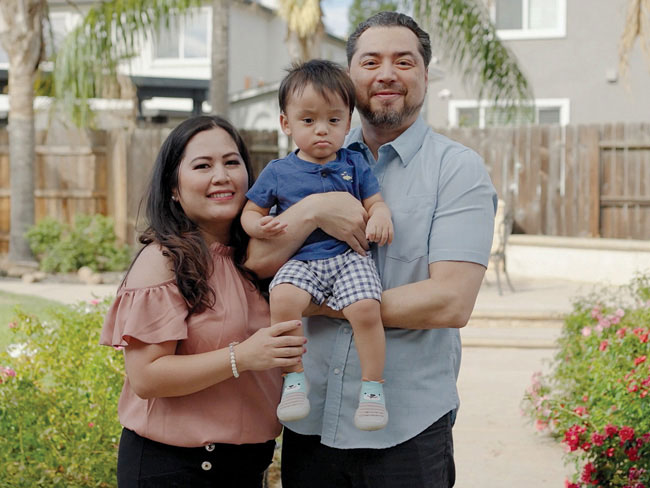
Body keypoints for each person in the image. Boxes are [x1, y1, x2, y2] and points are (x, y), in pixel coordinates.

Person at [245, 11, 498, 488]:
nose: (386, 73)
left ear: (424, 75)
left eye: (404, 61)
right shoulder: (301, 161)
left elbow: (450, 302)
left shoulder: (457, 171)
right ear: (351, 77)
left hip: (407, 426)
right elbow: (258, 263)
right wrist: (315, 209)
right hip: (312, 417)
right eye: (370, 61)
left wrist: (333, 305)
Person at [99, 115, 307, 487]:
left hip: (247, 466)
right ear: (174, 188)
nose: (222, 176)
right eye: (202, 166)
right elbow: (146, 377)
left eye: (231, 162)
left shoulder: (257, 258)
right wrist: (241, 357)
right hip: (176, 469)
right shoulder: (164, 261)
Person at [241, 59, 394, 432]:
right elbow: (250, 210)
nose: (322, 131)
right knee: (283, 299)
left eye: (334, 120)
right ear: (286, 123)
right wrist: (256, 224)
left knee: (366, 308)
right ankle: (294, 380)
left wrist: (380, 216)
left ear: (348, 122)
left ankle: (372, 390)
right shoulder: (278, 171)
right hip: (303, 260)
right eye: (308, 121)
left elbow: (375, 201)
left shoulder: (354, 163)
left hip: (348, 258)